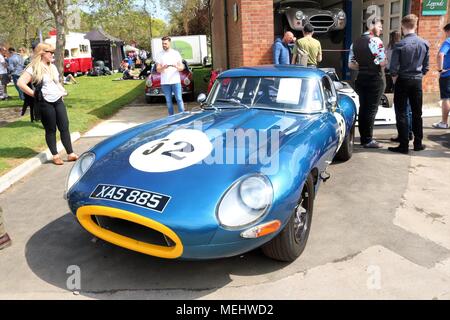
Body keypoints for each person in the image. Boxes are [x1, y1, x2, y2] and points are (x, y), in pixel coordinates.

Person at [17, 43, 78, 165]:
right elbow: (20, 83)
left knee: (64, 126)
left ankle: (70, 153)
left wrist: (61, 92)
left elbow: (56, 82)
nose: (52, 54)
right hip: (45, 103)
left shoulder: (53, 67)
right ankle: (55, 156)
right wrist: (35, 94)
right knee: (51, 129)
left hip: (58, 100)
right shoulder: (34, 68)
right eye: (50, 52)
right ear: (42, 53)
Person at [388, 14, 429, 154]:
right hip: (417, 80)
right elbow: (426, 67)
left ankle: (404, 145)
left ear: (403, 26)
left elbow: (393, 68)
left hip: (403, 80)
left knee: (401, 112)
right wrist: (419, 76)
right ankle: (418, 143)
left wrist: (395, 80)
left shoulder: (399, 45)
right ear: (415, 25)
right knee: (417, 113)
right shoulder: (424, 43)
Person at [349, 17, 387, 148]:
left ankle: (364, 136)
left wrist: (363, 65)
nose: (381, 30)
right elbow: (382, 62)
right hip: (374, 79)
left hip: (361, 79)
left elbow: (351, 65)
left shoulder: (355, 42)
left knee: (363, 107)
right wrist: (373, 63)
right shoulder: (375, 40)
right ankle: (368, 139)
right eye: (380, 26)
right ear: (372, 26)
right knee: (371, 109)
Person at [386, 31, 413, 142]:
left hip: (396, 77)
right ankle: (409, 132)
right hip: (410, 77)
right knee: (409, 108)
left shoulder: (390, 48)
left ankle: (403, 135)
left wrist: (393, 78)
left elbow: (390, 65)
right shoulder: (406, 46)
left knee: (401, 109)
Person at [155, 36, 185, 115]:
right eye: (163, 44)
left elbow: (181, 67)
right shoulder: (159, 54)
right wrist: (163, 68)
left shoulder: (175, 53)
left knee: (179, 99)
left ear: (169, 43)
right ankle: (171, 118)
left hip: (175, 81)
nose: (164, 45)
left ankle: (183, 116)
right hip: (165, 82)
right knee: (168, 101)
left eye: (165, 43)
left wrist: (177, 67)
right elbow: (158, 69)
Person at [433, 23, 450, 129]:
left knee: (446, 98)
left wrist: (440, 69)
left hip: (447, 74)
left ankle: (444, 122)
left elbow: (440, 55)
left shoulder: (448, 41)